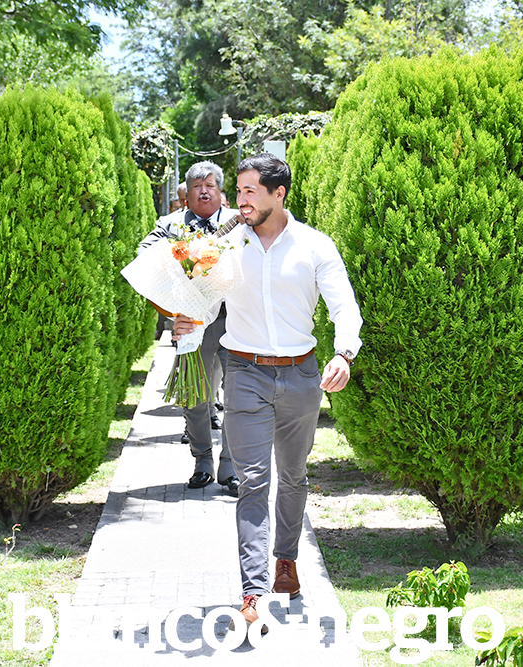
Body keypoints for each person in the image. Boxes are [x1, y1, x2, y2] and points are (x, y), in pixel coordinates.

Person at [172, 153, 362, 629]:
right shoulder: (226, 245)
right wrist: (188, 321)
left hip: (300, 375)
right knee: (253, 481)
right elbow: (206, 301)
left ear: (279, 193)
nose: (241, 200)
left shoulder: (314, 245)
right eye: (238, 191)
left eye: (250, 191)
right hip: (244, 373)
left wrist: (344, 353)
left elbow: (344, 305)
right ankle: (252, 589)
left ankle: (286, 559)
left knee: (293, 477)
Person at [140, 161, 239, 494]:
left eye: (210, 185)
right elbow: (144, 260)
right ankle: (202, 462)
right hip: (192, 324)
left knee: (238, 395)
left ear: (221, 191)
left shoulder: (239, 222)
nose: (204, 191)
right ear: (187, 193)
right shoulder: (170, 225)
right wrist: (170, 302)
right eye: (197, 186)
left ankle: (231, 466)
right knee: (194, 396)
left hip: (237, 321)